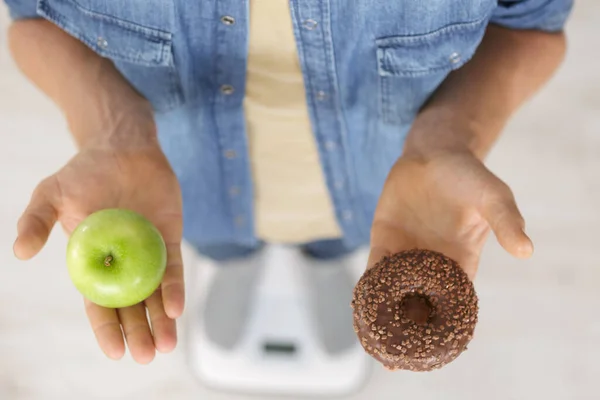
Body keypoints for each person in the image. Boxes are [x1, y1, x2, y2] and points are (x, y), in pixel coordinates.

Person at [6, 0, 572, 367]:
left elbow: (533, 30)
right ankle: (238, 262)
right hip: (179, 188)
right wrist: (113, 129)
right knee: (223, 242)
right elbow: (31, 23)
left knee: (338, 241)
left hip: (385, 198)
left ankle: (324, 262)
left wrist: (449, 135)